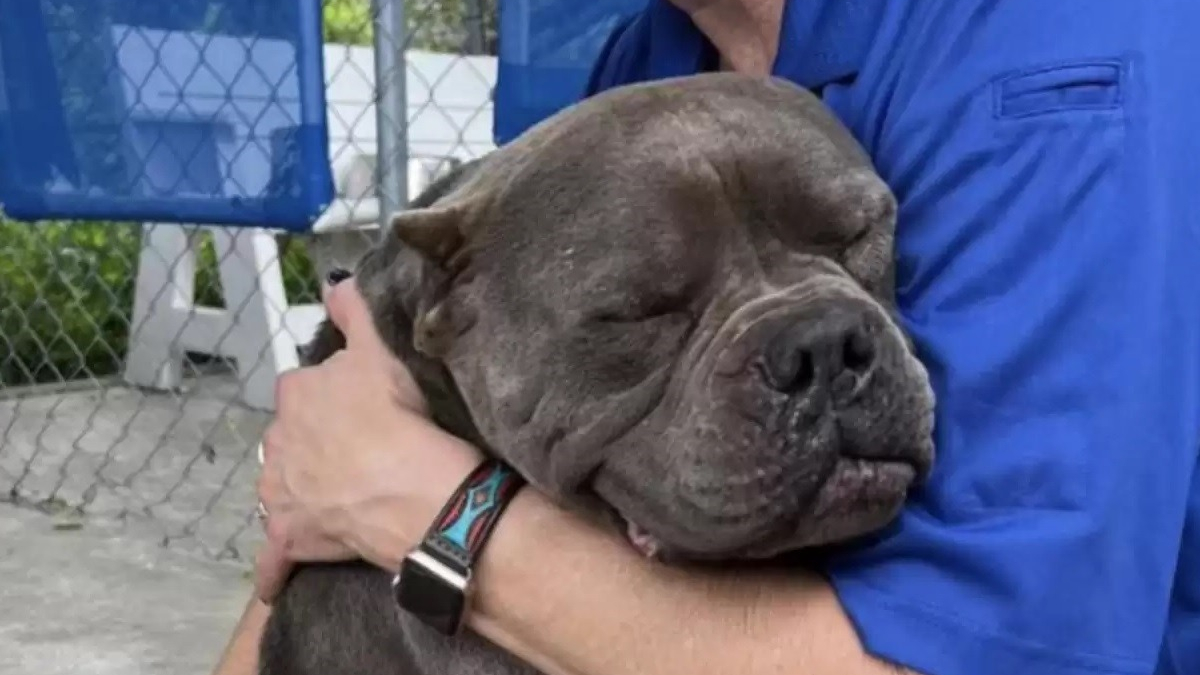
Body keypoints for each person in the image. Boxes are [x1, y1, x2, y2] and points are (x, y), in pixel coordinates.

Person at [212, 1, 1200, 674]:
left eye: (848, 243)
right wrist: (338, 478)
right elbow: (323, 481)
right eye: (647, 310)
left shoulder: (1058, 51)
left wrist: (435, 511)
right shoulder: (650, 57)